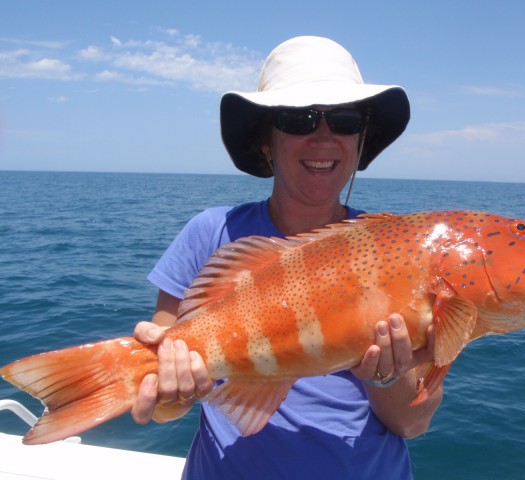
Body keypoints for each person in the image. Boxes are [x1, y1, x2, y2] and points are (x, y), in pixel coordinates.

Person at [131, 36, 443, 479]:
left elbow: (412, 423)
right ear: (265, 142)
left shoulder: (403, 251)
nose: (323, 138)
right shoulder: (209, 234)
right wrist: (170, 393)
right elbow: (163, 396)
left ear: (359, 141)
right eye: (298, 120)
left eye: (345, 120)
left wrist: (385, 377)